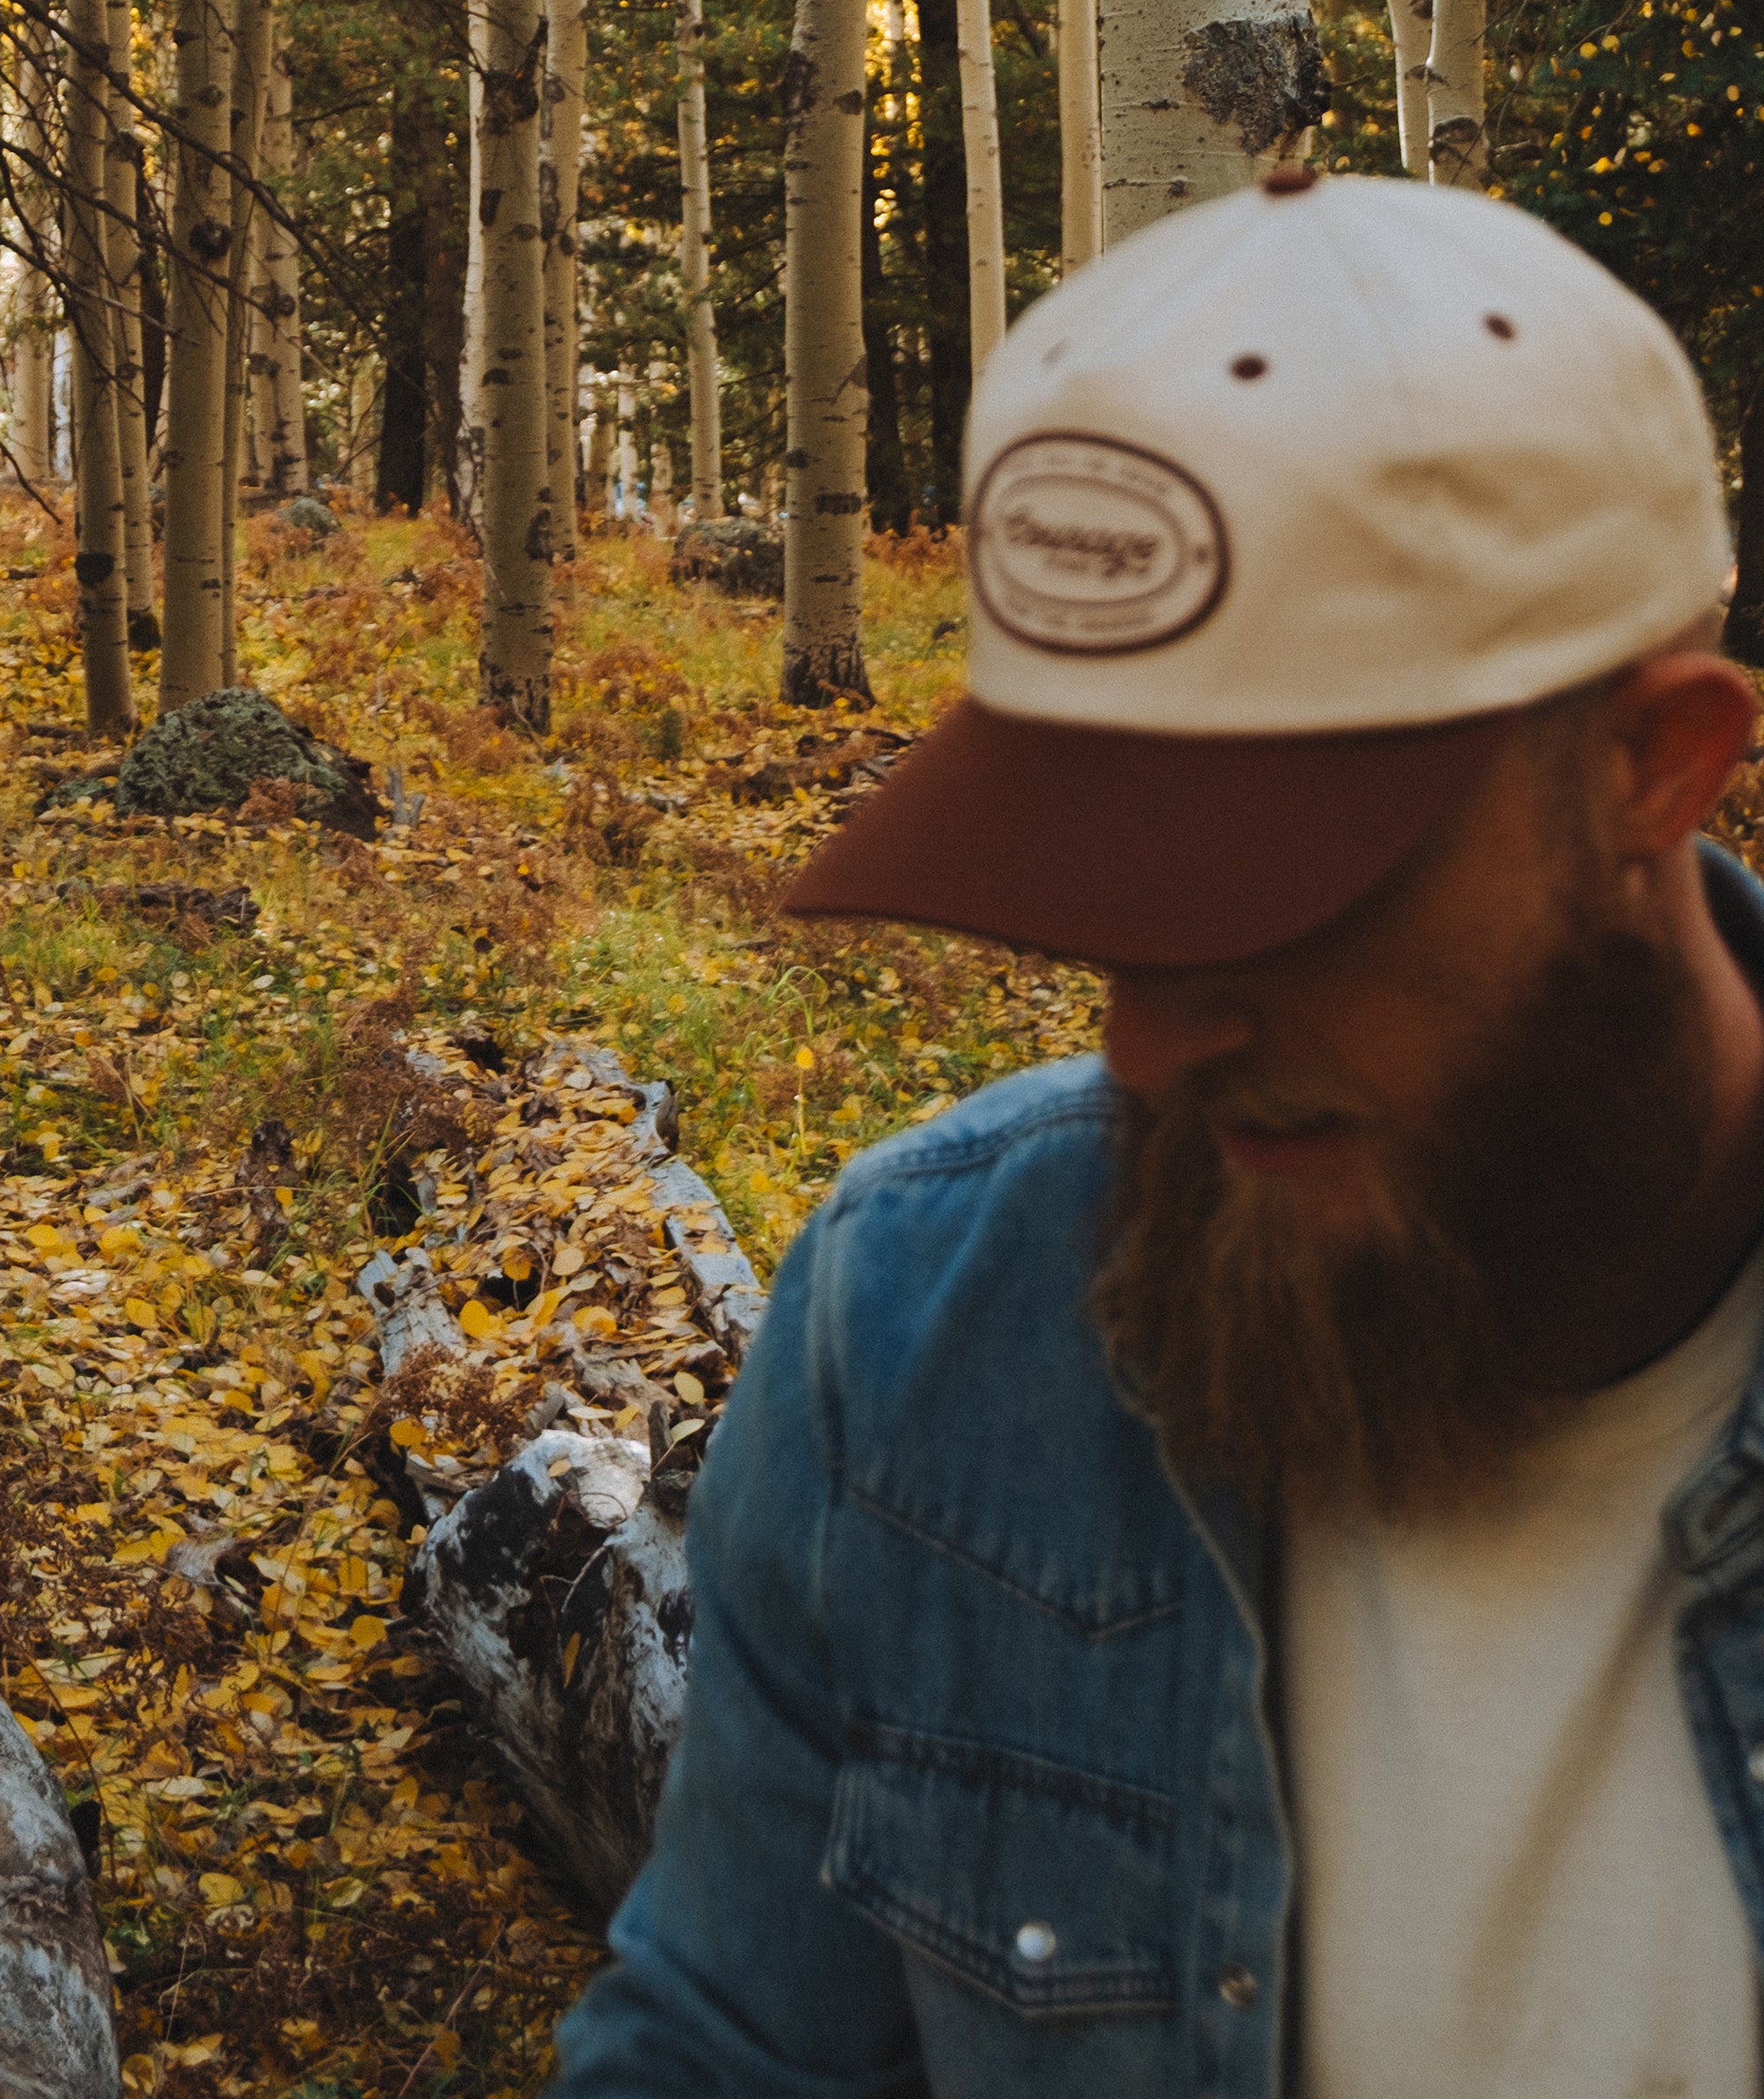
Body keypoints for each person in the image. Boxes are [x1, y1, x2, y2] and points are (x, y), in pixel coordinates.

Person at [550, 168, 1764, 2099]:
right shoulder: (926, 1334)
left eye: (1286, 896)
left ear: (1657, 767)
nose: (1152, 1042)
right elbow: (723, 2042)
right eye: (1109, 893)